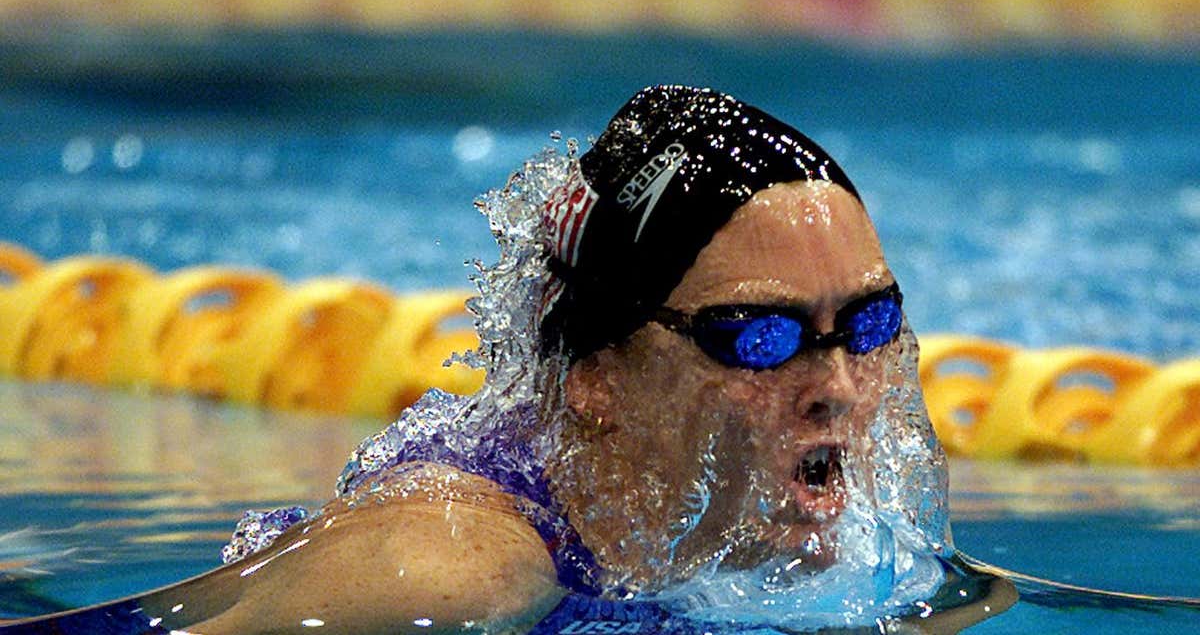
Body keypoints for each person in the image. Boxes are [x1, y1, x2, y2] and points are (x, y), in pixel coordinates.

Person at [0, 86, 1014, 634]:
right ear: (597, 376)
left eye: (870, 325)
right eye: (759, 338)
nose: (837, 387)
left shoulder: (853, 558)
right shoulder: (452, 574)